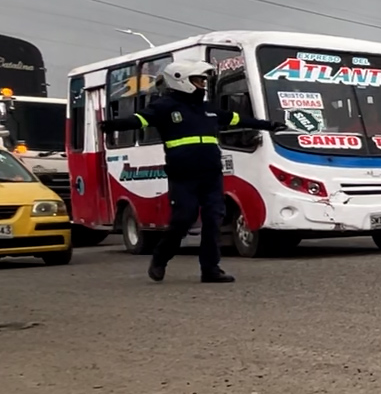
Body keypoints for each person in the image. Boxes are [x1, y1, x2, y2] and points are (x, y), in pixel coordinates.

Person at [99, 59, 282, 284]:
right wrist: (114, 125)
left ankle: (210, 269)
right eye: (198, 80)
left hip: (211, 174)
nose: (203, 85)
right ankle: (160, 258)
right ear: (181, 80)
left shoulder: (208, 109)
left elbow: (237, 119)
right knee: (183, 220)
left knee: (213, 220)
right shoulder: (165, 106)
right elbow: (140, 120)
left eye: (204, 81)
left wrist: (270, 125)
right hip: (183, 175)